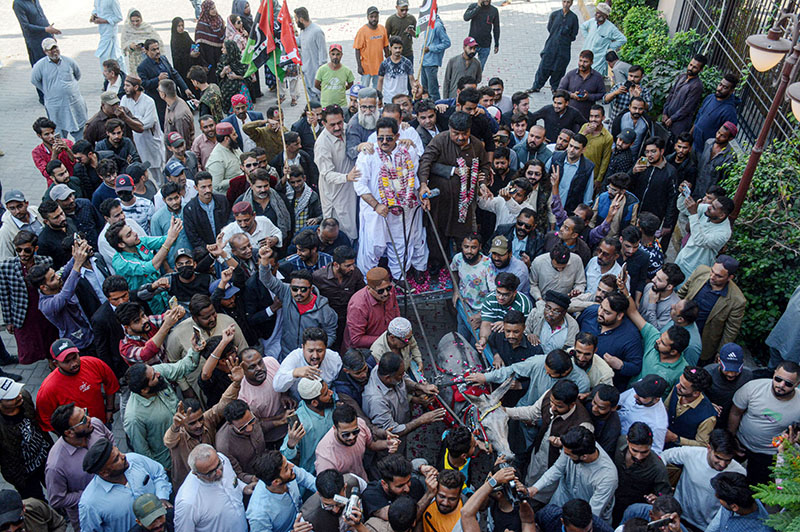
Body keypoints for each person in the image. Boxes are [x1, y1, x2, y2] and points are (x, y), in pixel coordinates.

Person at [418, 112, 491, 275]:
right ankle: (437, 264)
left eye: (464, 134)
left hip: (464, 204)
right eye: (455, 133)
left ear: (469, 131)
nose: (460, 137)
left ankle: (464, 267)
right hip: (441, 201)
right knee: (437, 234)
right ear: (449, 130)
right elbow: (426, 162)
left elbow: (485, 166)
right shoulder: (440, 140)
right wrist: (424, 184)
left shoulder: (477, 145)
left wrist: (483, 183)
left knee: (463, 237)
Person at [355, 117, 427, 281]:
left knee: (401, 245)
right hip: (376, 212)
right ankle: (368, 284)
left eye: (389, 138)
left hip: (403, 210)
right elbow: (360, 186)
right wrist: (376, 205)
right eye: (380, 138)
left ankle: (399, 279)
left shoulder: (408, 152)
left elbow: (413, 178)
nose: (384, 142)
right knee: (373, 247)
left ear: (397, 136)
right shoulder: (368, 154)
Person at [124, 343, 202, 470]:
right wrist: (160, 470)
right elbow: (142, 451)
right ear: (144, 390)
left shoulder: (156, 373)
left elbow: (182, 367)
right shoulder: (133, 417)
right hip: (171, 461)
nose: (158, 374)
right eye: (154, 377)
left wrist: (194, 349)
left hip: (190, 441)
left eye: (154, 371)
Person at [45, 402, 115, 528]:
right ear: (69, 433)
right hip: (90, 515)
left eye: (86, 412)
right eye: (83, 419)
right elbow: (57, 499)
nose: (89, 419)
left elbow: (109, 437)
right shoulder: (55, 465)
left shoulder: (95, 425)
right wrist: (92, 493)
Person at [729, 361, 800, 485]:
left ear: (797, 384)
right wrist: (731, 437)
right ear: (773, 374)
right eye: (778, 379)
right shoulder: (753, 388)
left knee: (756, 485)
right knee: (727, 475)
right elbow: (736, 412)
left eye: (788, 383)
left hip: (768, 453)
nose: (781, 385)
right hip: (740, 442)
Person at [78, 439, 171, 532]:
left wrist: (162, 497)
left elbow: (158, 473)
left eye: (119, 452)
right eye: (116, 459)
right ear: (104, 472)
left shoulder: (134, 460)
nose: (123, 456)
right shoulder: (90, 503)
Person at [528, 426, 618, 523]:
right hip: (561, 499)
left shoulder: (607, 477)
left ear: (584, 456)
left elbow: (593, 513)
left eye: (569, 455)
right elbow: (557, 469)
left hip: (583, 516)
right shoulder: (573, 446)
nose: (565, 455)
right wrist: (535, 488)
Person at [660, 429, 745, 530]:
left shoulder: (739, 472)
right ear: (709, 448)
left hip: (707, 526)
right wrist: (661, 487)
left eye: (728, 460)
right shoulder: (692, 454)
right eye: (718, 458)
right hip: (679, 516)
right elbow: (664, 456)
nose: (722, 464)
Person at [617, 276, 690, 390]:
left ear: (674, 351)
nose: (657, 340)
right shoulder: (654, 337)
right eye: (661, 338)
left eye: (663, 343)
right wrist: (624, 290)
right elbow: (633, 312)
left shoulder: (681, 372)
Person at [0, 231, 58, 366]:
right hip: (23, 314)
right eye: (18, 250)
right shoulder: (6, 267)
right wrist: (8, 320)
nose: (22, 254)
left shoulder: (46, 261)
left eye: (26, 250)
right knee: (30, 343)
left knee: (50, 337)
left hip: (44, 309)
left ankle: (52, 361)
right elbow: (4, 295)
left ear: (35, 249)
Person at [677, 256, 746, 362]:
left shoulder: (737, 300)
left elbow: (731, 330)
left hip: (703, 341)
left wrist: (721, 353)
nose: (712, 277)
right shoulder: (701, 271)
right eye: (712, 271)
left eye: (718, 276)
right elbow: (682, 293)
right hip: (678, 328)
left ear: (730, 277)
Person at [363, 352, 443, 439]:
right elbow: (393, 431)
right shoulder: (376, 401)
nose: (403, 376)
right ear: (387, 378)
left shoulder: (384, 370)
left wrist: (420, 387)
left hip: (403, 419)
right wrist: (422, 420)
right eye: (400, 375)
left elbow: (404, 379)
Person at [174, 444, 248, 532]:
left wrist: (244, 487)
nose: (219, 472)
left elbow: (231, 479)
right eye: (211, 473)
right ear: (196, 474)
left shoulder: (222, 459)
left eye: (219, 465)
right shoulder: (188, 502)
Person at [0, 377, 52, 500]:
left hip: (44, 456)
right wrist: (17, 478)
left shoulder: (24, 398)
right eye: (12, 397)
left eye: (17, 392)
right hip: (23, 473)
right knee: (36, 500)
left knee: (55, 486)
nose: (18, 396)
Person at [612, 421, 671, 524]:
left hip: (632, 512)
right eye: (634, 450)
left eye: (644, 452)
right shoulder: (618, 443)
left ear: (651, 444)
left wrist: (656, 500)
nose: (639, 456)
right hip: (611, 502)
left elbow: (665, 498)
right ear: (627, 440)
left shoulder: (658, 468)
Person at [315, 105, 360, 240]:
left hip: (352, 189)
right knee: (344, 231)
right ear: (323, 124)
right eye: (332, 124)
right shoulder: (322, 144)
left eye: (339, 123)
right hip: (336, 194)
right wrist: (347, 177)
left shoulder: (347, 129)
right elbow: (327, 174)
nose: (337, 128)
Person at [31, 39, 88, 141]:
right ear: (45, 52)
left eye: (55, 48)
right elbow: (35, 80)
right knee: (58, 134)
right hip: (56, 105)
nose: (54, 51)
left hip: (74, 103)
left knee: (80, 131)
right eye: (50, 50)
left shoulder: (69, 61)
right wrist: (49, 90)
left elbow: (77, 75)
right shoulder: (40, 66)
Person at [246, 450, 317, 532]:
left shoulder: (284, 467)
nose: (292, 465)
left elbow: (306, 478)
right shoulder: (258, 514)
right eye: (286, 468)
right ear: (276, 482)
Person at [278, 378, 336, 474]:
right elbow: (285, 456)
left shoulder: (329, 404)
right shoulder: (301, 421)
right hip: (314, 472)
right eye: (326, 394)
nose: (331, 393)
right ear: (314, 403)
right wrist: (291, 444)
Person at [138, 39, 192, 128]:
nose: (157, 52)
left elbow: (175, 74)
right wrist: (157, 79)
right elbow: (145, 84)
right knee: (166, 124)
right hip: (159, 101)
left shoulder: (163, 59)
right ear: (146, 51)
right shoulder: (142, 67)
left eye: (157, 48)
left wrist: (185, 88)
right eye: (153, 50)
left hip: (173, 96)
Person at [13, 0, 61, 102]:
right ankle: (44, 97)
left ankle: (53, 93)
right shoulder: (18, 3)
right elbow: (26, 26)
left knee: (53, 66)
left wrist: (50, 33)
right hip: (35, 41)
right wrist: (45, 29)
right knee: (41, 69)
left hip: (46, 37)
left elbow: (42, 16)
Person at [344, 267, 400, 350]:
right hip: (365, 351)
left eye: (388, 288)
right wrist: (386, 340)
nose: (386, 293)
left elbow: (396, 311)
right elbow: (357, 339)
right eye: (380, 291)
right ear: (369, 288)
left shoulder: (390, 292)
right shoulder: (358, 306)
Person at [121, 76, 165, 180]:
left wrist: (130, 121)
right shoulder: (125, 100)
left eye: (127, 86)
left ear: (136, 87)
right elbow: (123, 120)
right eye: (124, 85)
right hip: (135, 143)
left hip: (150, 142)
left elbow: (148, 123)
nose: (125, 88)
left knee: (157, 173)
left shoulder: (148, 101)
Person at [529, 0, 579, 93]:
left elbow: (574, 34)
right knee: (544, 67)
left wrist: (565, 39)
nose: (566, 4)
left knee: (559, 68)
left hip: (564, 48)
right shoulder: (554, 15)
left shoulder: (573, 18)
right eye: (564, 2)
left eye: (568, 2)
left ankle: (555, 88)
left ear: (571, 3)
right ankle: (536, 86)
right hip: (551, 46)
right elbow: (550, 28)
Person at [664, 366, 717, 448]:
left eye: (683, 387)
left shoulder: (708, 417)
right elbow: (666, 408)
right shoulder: (678, 388)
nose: (677, 386)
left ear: (696, 393)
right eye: (679, 382)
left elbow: (702, 444)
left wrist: (676, 438)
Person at [617, 374, 669, 453]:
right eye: (637, 392)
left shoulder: (658, 424)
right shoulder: (641, 388)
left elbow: (655, 451)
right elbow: (618, 400)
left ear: (656, 399)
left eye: (643, 397)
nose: (635, 396)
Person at [707, 471, 772, 532]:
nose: (716, 496)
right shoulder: (733, 498)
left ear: (734, 507)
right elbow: (715, 525)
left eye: (720, 498)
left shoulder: (760, 529)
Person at [661, 55, 707, 138]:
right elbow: (671, 94)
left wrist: (672, 119)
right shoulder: (682, 76)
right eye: (690, 65)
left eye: (695, 67)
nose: (690, 68)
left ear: (701, 70)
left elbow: (687, 108)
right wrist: (665, 112)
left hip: (679, 124)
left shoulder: (697, 86)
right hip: (667, 118)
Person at [691, 74, 739, 154]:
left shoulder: (729, 111)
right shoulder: (710, 97)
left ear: (731, 91)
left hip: (705, 151)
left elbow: (727, 136)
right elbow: (698, 118)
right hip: (693, 143)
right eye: (720, 84)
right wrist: (690, 136)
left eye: (725, 87)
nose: (720, 88)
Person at [579, 3, 626, 76]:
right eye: (597, 12)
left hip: (598, 59)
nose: (597, 15)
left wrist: (609, 46)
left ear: (606, 16)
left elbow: (623, 39)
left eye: (600, 13)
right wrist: (587, 37)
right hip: (586, 53)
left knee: (594, 78)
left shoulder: (611, 28)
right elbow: (583, 27)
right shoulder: (592, 21)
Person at [558, 50, 605, 120]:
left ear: (591, 62)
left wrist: (589, 96)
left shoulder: (597, 77)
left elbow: (602, 94)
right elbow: (560, 90)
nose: (581, 64)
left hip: (587, 115)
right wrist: (572, 95)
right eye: (580, 61)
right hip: (570, 114)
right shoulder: (571, 74)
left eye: (585, 62)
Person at [695, 122, 737, 198]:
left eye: (723, 136)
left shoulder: (730, 157)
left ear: (730, 139)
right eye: (718, 132)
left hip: (710, 196)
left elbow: (724, 180)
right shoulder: (708, 142)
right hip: (696, 188)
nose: (718, 136)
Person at [0, 487, 67, 532]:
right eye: (4, 526)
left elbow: (60, 523)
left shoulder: (35, 507)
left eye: (17, 521)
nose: (12, 529)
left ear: (24, 508)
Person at [639, 263, 684, 330]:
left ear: (669, 287)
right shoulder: (650, 287)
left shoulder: (673, 307)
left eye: (659, 280)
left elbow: (654, 329)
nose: (653, 280)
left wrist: (652, 304)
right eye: (655, 276)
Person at [295, 7, 327, 98]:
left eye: (296, 20)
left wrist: (321, 73)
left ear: (301, 19)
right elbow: (300, 42)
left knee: (318, 96)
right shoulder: (303, 30)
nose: (296, 22)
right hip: (306, 70)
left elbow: (323, 53)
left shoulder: (317, 31)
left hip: (315, 71)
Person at [354, 6, 390, 88]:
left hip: (379, 66)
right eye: (371, 17)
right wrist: (359, 66)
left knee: (377, 89)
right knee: (364, 89)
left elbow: (386, 46)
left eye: (376, 16)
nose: (374, 19)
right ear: (367, 17)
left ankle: (377, 101)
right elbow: (357, 49)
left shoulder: (382, 29)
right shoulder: (362, 31)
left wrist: (388, 61)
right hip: (366, 67)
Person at [419, 13, 450, 101]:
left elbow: (447, 43)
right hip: (424, 61)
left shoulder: (438, 26)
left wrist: (431, 48)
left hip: (431, 62)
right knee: (425, 90)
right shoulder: (427, 23)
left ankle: (437, 106)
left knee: (433, 91)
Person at [377, 37, 415, 104]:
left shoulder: (407, 63)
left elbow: (411, 79)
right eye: (395, 48)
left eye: (400, 48)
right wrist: (379, 96)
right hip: (388, 98)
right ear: (390, 48)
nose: (398, 50)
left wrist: (414, 89)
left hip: (403, 97)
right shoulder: (384, 64)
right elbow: (380, 81)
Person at [463, 0, 499, 69]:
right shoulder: (473, 6)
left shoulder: (494, 10)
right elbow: (466, 18)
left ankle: (475, 80)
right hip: (472, 44)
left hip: (485, 45)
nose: (486, 0)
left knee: (479, 69)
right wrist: (478, 7)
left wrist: (496, 43)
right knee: (466, 66)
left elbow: (496, 28)